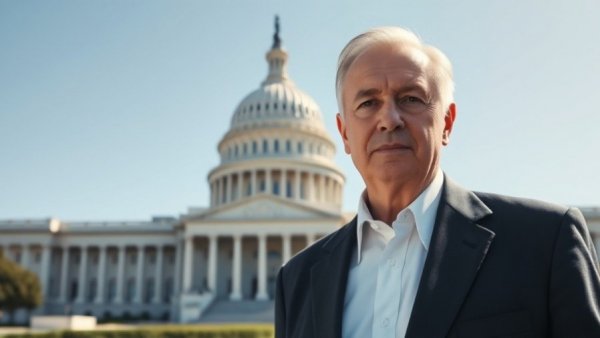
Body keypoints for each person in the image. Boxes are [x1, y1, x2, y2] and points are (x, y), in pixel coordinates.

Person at [274, 27, 600, 338]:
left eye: (411, 98)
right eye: (368, 103)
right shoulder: (297, 280)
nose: (389, 119)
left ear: (447, 122)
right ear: (344, 133)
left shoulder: (544, 242)